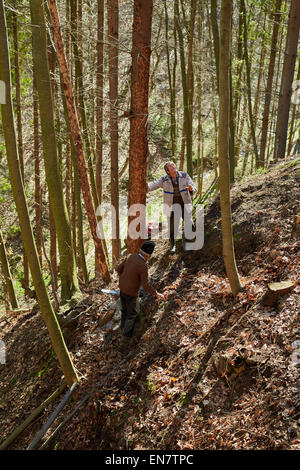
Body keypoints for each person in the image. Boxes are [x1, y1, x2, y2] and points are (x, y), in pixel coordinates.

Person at [116, 240, 165, 353]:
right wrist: (156, 293)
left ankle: (122, 327)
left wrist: (125, 279)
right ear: (148, 255)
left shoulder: (130, 256)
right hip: (131, 293)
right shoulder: (143, 266)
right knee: (133, 313)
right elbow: (146, 285)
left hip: (122, 289)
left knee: (125, 310)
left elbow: (118, 269)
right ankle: (125, 339)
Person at [147, 161, 197, 252]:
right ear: (167, 171)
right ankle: (172, 244)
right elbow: (152, 185)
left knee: (189, 222)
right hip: (170, 205)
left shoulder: (184, 175)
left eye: (173, 165)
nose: (173, 166)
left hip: (184, 203)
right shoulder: (164, 179)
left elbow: (194, 186)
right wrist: (142, 186)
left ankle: (188, 242)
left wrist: (191, 188)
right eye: (171, 166)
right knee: (172, 226)